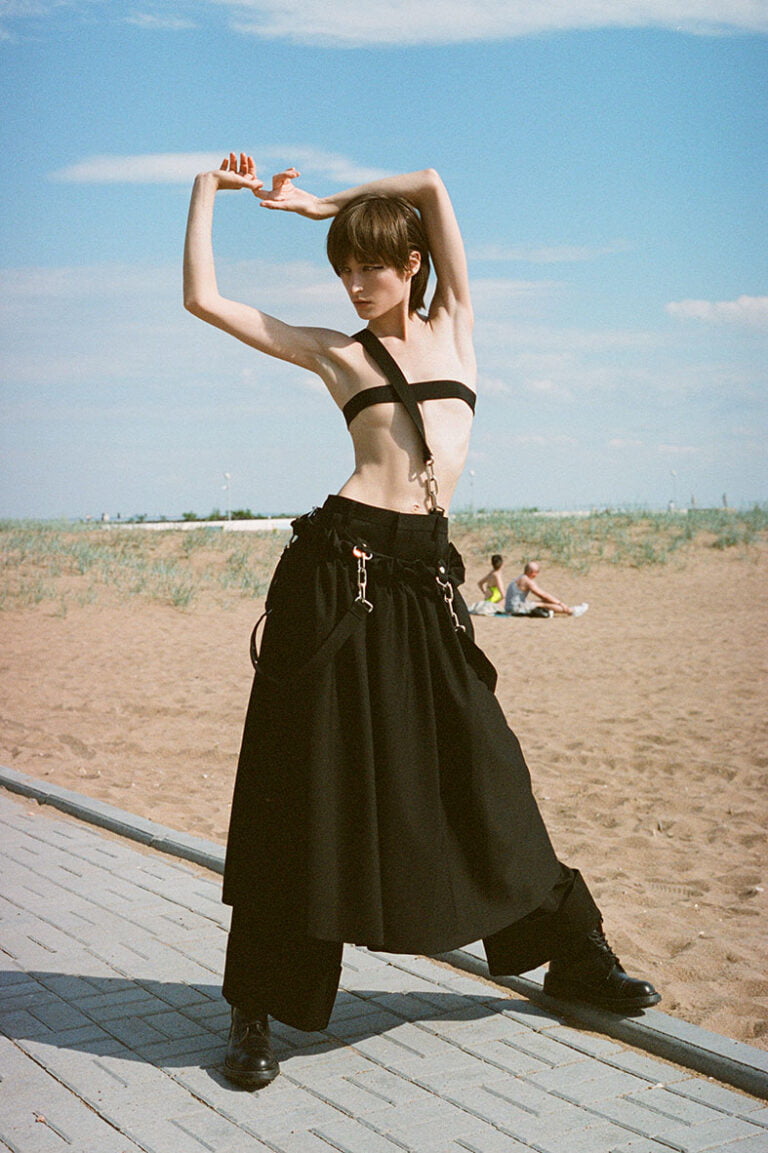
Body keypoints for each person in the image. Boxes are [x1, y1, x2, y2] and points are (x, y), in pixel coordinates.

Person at [184, 153, 659, 1090]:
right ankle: (254, 1009)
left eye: (372, 265)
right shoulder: (337, 351)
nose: (356, 284)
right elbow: (205, 298)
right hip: (340, 576)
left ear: (413, 265)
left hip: (425, 583)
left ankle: (573, 952)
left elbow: (438, 184)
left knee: (484, 769)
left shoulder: (459, 332)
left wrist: (329, 198)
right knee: (303, 793)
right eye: (342, 268)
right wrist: (208, 194)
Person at [505, 561, 588, 617]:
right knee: (543, 604)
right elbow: (543, 595)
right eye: (536, 572)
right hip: (515, 609)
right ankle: (571, 611)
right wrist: (560, 603)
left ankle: (569, 610)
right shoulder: (527, 581)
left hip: (510, 607)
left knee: (538, 603)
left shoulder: (520, 578)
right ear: (531, 573)